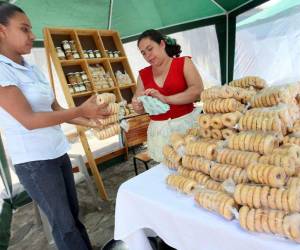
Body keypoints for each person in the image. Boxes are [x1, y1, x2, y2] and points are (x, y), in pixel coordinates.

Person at [0, 2, 110, 249]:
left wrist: (90, 121)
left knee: (72, 216)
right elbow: (29, 120)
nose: (33, 36)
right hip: (35, 162)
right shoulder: (2, 70)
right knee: (64, 225)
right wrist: (82, 109)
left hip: (57, 151)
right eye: (25, 29)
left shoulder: (32, 69)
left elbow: (57, 111)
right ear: (1, 31)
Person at [132, 29, 204, 162]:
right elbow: (139, 107)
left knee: (194, 165)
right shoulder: (143, 75)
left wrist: (166, 99)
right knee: (167, 168)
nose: (148, 55)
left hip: (186, 127)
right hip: (159, 133)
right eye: (143, 53)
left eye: (150, 49)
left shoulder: (183, 63)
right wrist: (137, 104)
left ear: (162, 44)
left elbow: (197, 91)